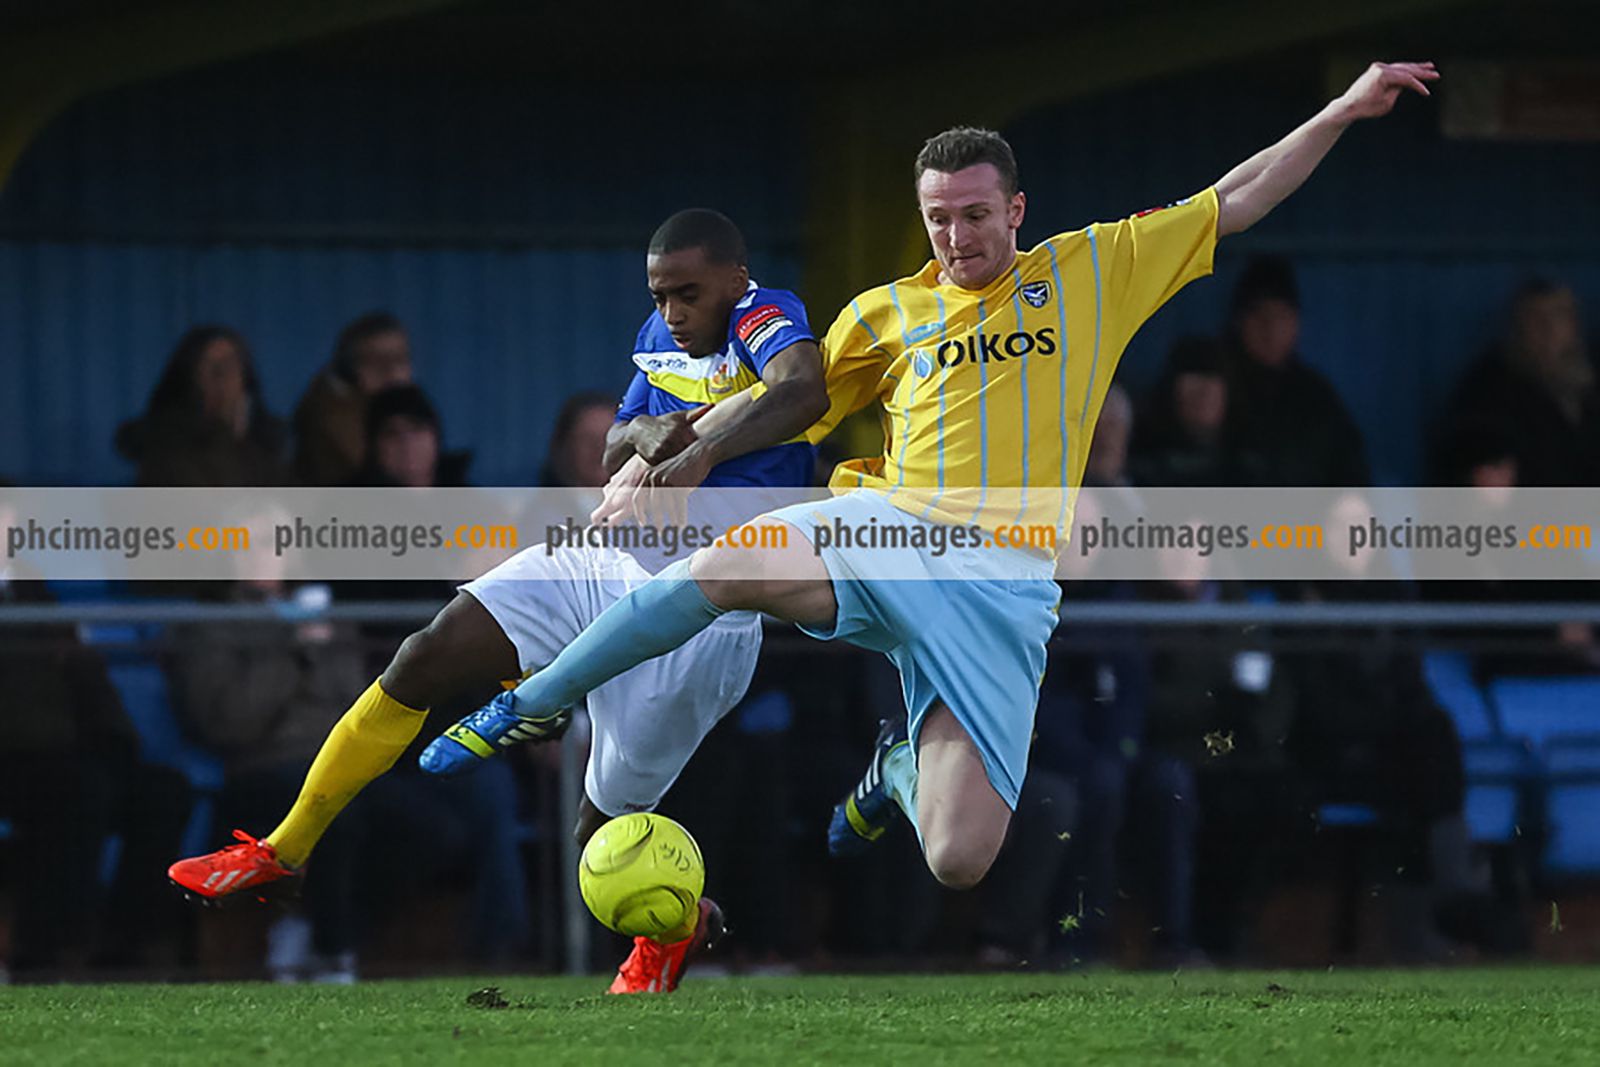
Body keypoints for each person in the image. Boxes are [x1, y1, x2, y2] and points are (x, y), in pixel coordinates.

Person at [419, 63, 1440, 900]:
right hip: (891, 526)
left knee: (958, 856)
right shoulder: (883, 314)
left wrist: (1341, 110)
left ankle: (900, 765)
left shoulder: (1090, 270)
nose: (956, 238)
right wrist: (673, 449)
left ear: (1017, 209)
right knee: (726, 564)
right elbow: (780, 398)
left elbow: (1239, 196)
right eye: (939, 219)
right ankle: (535, 700)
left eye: (974, 215)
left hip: (1003, 585)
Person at [167, 209, 828, 994]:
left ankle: (673, 928)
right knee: (428, 652)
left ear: (734, 279)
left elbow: (802, 391)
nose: (673, 311)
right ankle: (284, 847)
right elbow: (619, 441)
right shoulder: (661, 334)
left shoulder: (766, 314)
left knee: (598, 839)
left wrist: (701, 452)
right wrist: (654, 434)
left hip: (705, 610)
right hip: (606, 561)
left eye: (688, 293)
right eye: (660, 294)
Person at [1223, 257, 1370, 487]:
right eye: (1259, 316)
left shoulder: (1315, 396)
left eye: (1281, 316)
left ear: (1296, 324)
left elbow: (1351, 474)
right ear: (1239, 322)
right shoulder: (1216, 387)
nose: (1270, 328)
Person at [1441, 278, 1600, 487]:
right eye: (1537, 319)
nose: (1550, 330)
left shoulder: (1589, 379)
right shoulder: (1490, 390)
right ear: (1519, 328)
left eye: (1560, 316)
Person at [115, 326, 288, 488]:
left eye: (231, 364)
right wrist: (228, 437)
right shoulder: (165, 450)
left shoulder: (267, 445)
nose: (223, 377)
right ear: (190, 377)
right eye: (211, 365)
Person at [293, 312, 415, 486]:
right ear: (349, 370)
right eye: (376, 360)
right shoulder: (331, 416)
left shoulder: (410, 409)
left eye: (400, 358)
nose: (392, 370)